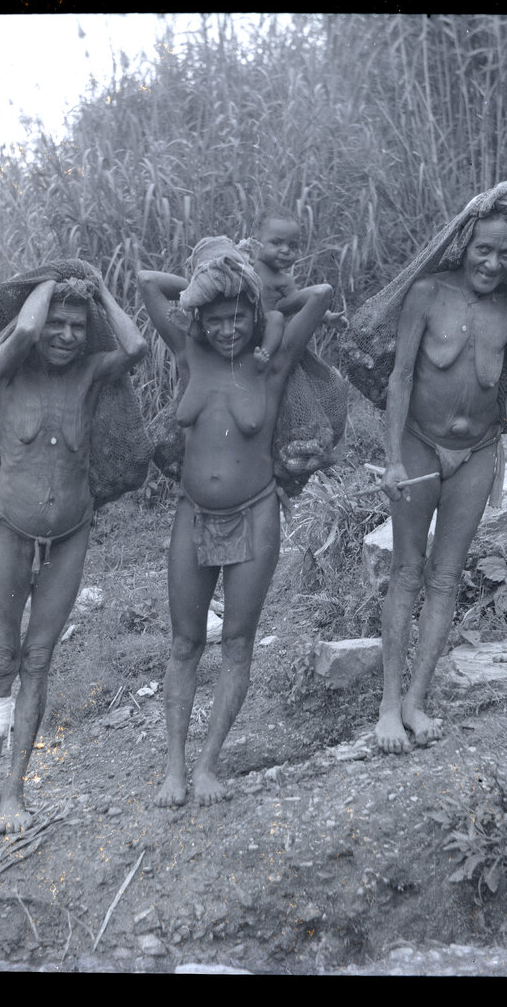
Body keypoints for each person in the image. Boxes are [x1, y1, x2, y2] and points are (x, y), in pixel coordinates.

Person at [138, 237, 332, 806]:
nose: (228, 330)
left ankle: (207, 766)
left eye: (238, 317)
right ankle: (174, 768)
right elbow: (149, 283)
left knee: (238, 641)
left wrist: (254, 289)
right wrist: (210, 281)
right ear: (201, 318)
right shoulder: (188, 354)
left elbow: (319, 294)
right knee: (184, 642)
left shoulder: (271, 363)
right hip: (193, 514)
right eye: (216, 318)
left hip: (255, 512)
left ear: (254, 315)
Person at [0, 271, 148, 837]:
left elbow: (135, 346)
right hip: (9, 530)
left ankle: (15, 793)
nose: (65, 335)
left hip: (70, 533)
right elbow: (23, 330)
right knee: (2, 659)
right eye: (56, 324)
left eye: (77, 327)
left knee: (38, 659)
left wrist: (97, 289)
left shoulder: (90, 374)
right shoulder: (9, 368)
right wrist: (51, 278)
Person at [374, 206, 507, 754]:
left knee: (445, 577)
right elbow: (400, 378)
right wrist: (393, 460)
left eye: (505, 254)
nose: (492, 263)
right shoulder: (427, 294)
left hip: (478, 453)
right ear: (464, 245)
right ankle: (387, 706)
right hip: (419, 444)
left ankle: (415, 703)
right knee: (407, 570)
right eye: (483, 250)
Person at [246, 210, 347, 370]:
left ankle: (264, 355)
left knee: (276, 317)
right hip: (243, 323)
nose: (286, 250)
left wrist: (326, 316)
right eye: (276, 242)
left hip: (266, 329)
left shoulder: (284, 281)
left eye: (293, 246)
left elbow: (299, 301)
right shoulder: (249, 266)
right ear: (256, 244)